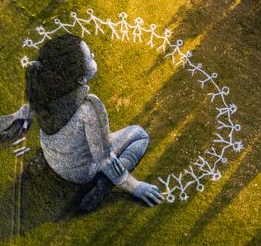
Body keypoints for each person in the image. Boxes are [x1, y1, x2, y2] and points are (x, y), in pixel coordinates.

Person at [26, 34, 163, 211]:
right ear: (81, 78)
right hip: (80, 172)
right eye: (90, 56)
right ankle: (104, 186)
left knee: (69, 137)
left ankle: (47, 160)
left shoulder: (40, 86)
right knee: (139, 134)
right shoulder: (90, 107)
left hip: (53, 159)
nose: (94, 56)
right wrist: (134, 186)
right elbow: (104, 157)